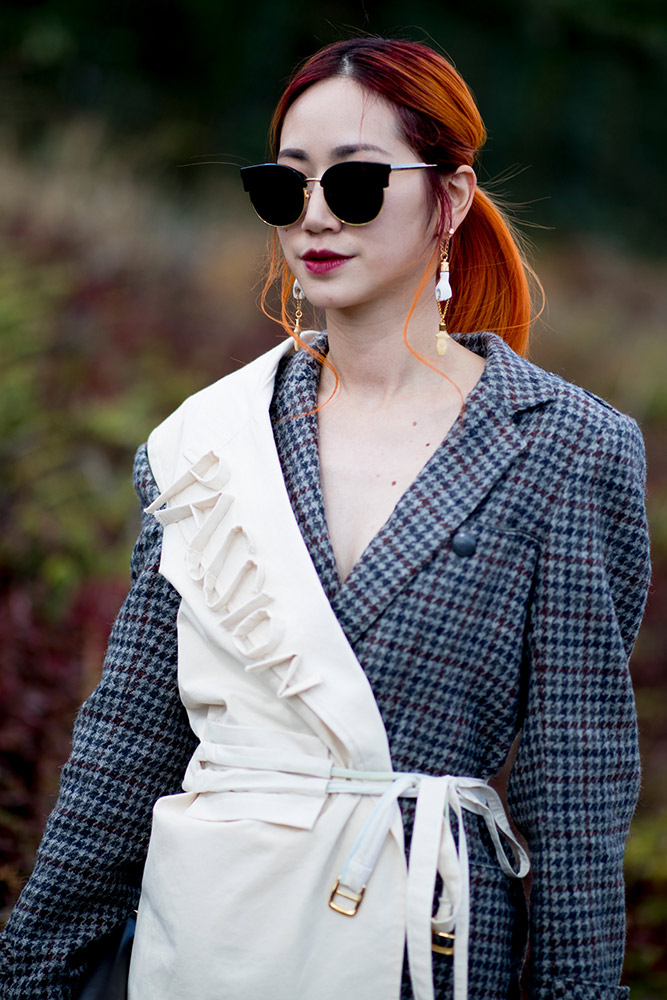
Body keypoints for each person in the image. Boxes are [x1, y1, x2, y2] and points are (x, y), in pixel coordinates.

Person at [0, 36, 650, 1000]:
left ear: (451, 199)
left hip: (415, 951)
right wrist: (32, 972)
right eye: (285, 187)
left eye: (354, 185)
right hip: (208, 942)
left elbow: (573, 793)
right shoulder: (204, 444)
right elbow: (129, 742)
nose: (314, 217)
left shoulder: (562, 448)